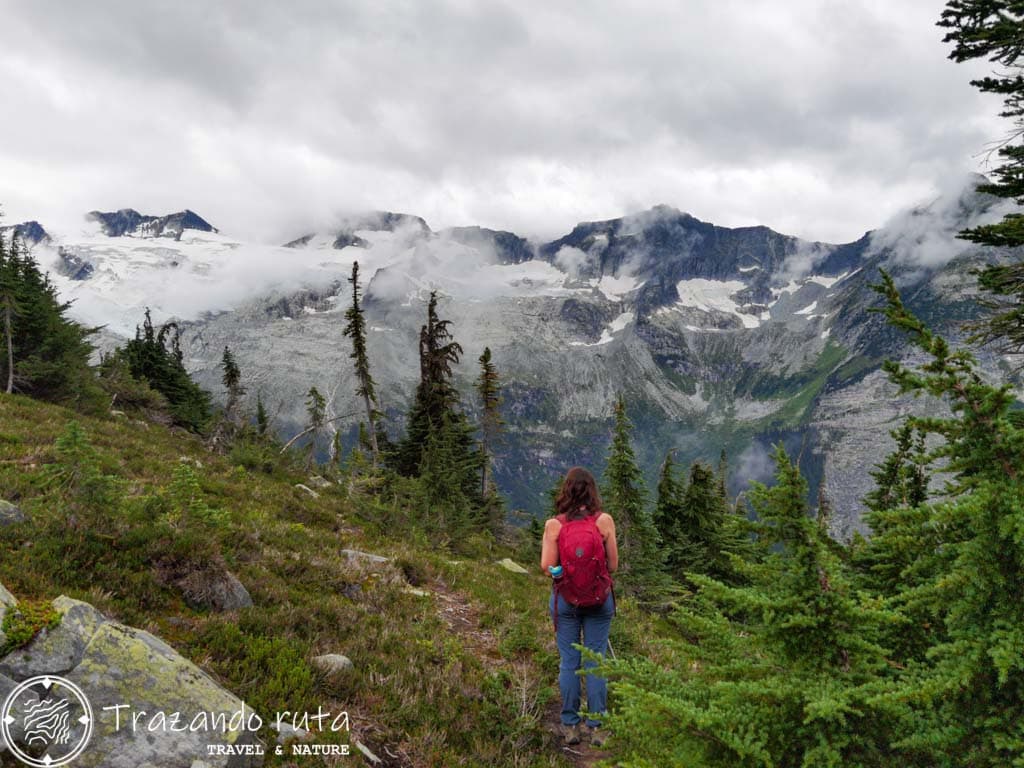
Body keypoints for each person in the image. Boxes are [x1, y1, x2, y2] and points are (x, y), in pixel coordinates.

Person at [540, 466, 619, 747]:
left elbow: (547, 567)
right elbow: (612, 565)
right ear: (592, 491)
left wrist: (565, 575)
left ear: (566, 491)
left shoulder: (555, 525)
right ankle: (597, 727)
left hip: (566, 602)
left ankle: (571, 725)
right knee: (595, 661)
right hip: (599, 601)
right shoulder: (604, 521)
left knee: (569, 663)